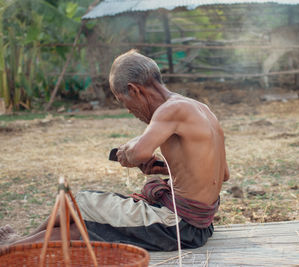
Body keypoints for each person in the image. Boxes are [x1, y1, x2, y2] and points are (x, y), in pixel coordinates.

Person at [0, 49, 230, 251]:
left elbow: (137, 153)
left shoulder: (170, 109)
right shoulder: (201, 109)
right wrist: (163, 168)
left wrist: (126, 150)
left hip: (177, 226)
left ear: (135, 90)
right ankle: (21, 242)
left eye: (123, 102)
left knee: (78, 204)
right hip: (199, 226)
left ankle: (12, 247)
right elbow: (223, 175)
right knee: (82, 214)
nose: (130, 111)